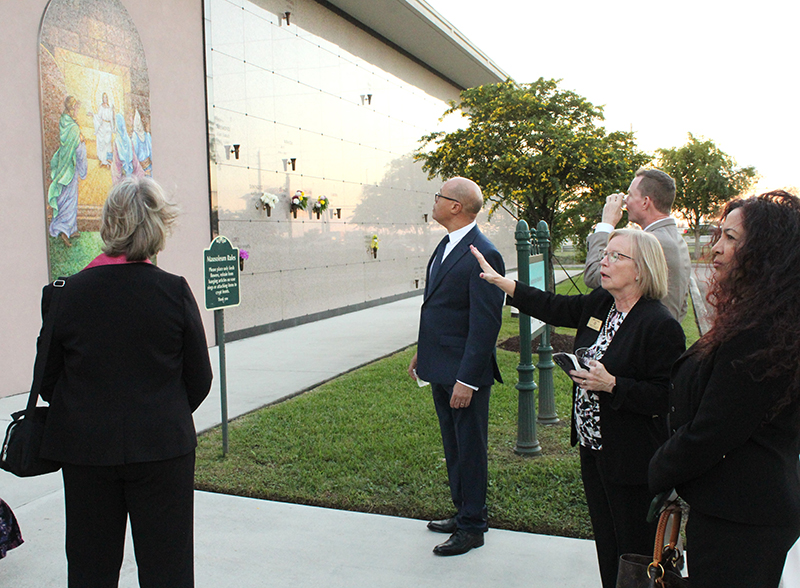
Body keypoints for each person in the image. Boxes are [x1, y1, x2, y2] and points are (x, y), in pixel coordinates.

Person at [472, 229, 684, 588]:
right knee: (606, 539)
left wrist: (612, 385)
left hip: (631, 456)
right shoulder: (600, 304)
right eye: (606, 254)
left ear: (640, 271)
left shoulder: (659, 324)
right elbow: (553, 307)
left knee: (633, 549)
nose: (605, 261)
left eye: (617, 256)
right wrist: (502, 284)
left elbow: (667, 398)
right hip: (593, 448)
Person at [36, 176, 213, 588]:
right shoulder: (174, 292)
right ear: (156, 228)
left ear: (109, 224)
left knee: (90, 570)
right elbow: (199, 379)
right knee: (167, 571)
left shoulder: (65, 293)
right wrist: (158, 411)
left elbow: (47, 380)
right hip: (162, 449)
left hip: (86, 452)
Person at [649, 191, 800, 588]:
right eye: (719, 235)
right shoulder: (762, 317)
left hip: (742, 517)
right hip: (742, 508)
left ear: (766, 251)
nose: (716, 248)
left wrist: (656, 469)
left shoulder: (760, 332)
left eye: (731, 238)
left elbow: (715, 430)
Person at [407, 177, 505, 556]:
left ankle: (473, 526)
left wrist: (467, 379)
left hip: (465, 374)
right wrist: (423, 351)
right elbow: (438, 308)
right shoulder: (447, 245)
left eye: (440, 196)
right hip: (440, 364)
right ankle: (463, 510)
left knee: (470, 448)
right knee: (454, 446)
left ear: (455, 207)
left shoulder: (483, 252)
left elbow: (485, 325)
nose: (433, 201)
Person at [584, 168, 691, 322]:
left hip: (646, 338)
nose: (625, 200)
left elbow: (594, 276)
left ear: (646, 202)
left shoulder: (650, 242)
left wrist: (606, 223)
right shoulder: (676, 240)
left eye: (630, 195)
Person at [48, 96, 87, 247]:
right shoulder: (72, 126)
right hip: (68, 167)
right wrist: (81, 141)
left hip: (67, 165)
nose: (77, 110)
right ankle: (63, 230)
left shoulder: (66, 121)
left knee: (71, 198)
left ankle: (71, 229)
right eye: (76, 107)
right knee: (67, 198)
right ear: (71, 108)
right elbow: (75, 145)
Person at [92, 92, 115, 167]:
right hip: (102, 127)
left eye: (106, 97)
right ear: (102, 98)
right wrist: (93, 115)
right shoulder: (101, 107)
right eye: (104, 97)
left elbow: (112, 119)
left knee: (107, 143)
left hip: (108, 127)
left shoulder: (110, 107)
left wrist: (113, 128)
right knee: (102, 143)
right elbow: (98, 117)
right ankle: (103, 160)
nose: (105, 99)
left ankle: (108, 160)